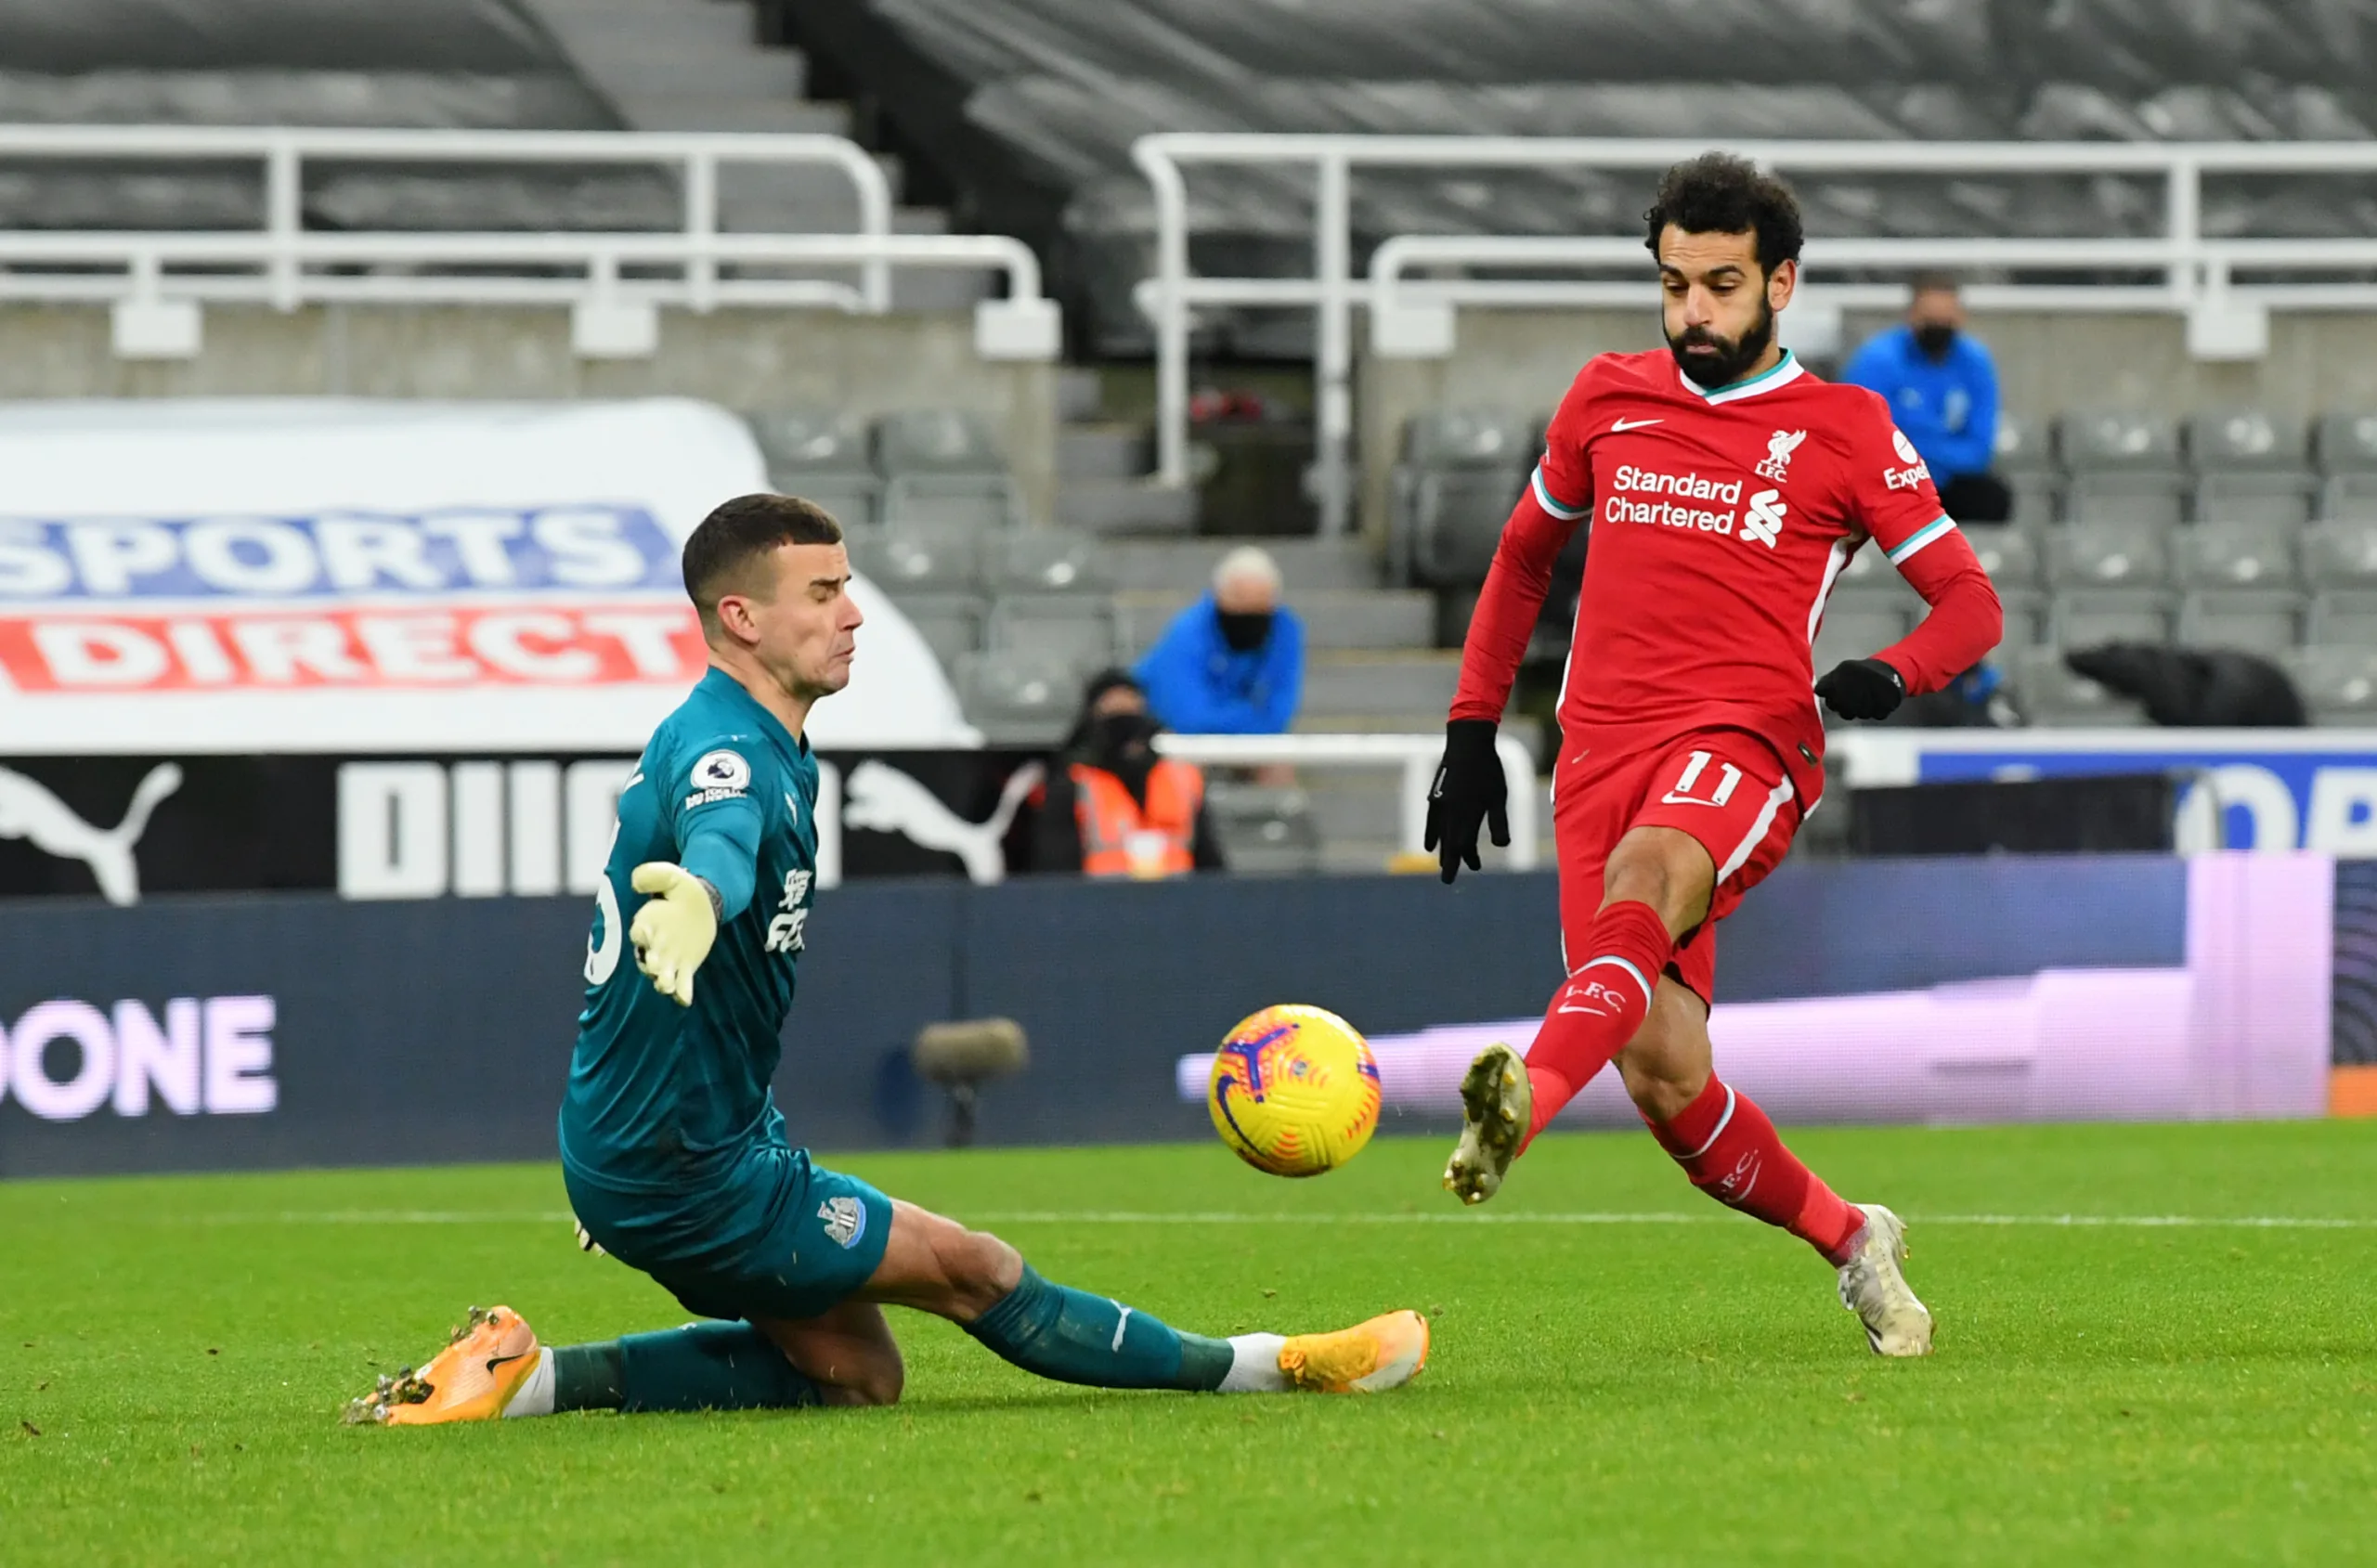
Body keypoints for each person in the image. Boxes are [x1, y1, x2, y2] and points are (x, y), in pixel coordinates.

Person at [346, 494, 1423, 1425]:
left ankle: (519, 1380)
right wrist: (703, 898)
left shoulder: (751, 734)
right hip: (683, 1164)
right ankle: (1273, 1366)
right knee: (976, 1270)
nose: (851, 612)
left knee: (858, 1377)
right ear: (742, 617)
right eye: (820, 593)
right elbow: (719, 838)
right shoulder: (729, 753)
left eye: (847, 585)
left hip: (664, 1135)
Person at [1423, 154, 2004, 1357]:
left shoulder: (1844, 428)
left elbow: (1966, 603)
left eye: (1723, 285)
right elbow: (1525, 557)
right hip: (1597, 751)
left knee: (1651, 879)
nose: (1694, 311)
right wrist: (1474, 729)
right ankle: (1853, 1239)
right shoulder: (1606, 398)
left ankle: (1518, 1107)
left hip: (1746, 739)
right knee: (1666, 1078)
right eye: (1675, 284)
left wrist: (1896, 671)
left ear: (1780, 284)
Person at [1840, 274, 2011, 524]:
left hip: (1952, 479)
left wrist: (1922, 452)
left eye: (1945, 317)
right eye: (1929, 317)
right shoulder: (1877, 361)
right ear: (1911, 317)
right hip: (1892, 479)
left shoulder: (1976, 362)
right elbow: (1867, 441)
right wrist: (1927, 456)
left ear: (1960, 318)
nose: (1938, 325)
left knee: (1992, 498)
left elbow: (1979, 449)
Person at [1026, 668, 1227, 876]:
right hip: (1100, 904)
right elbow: (1056, 871)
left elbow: (1211, 864)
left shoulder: (1183, 780)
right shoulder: (1074, 784)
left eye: (1131, 708)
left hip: (1181, 903)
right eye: (1113, 711)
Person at [1134, 546, 1305, 734]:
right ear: (1218, 598)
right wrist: (1253, 715)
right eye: (1239, 608)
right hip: (1164, 732)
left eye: (1258, 611)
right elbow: (1187, 719)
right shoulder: (1187, 633)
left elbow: (1279, 713)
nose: (1248, 621)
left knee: (1277, 761)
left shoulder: (1284, 629)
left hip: (1243, 738)